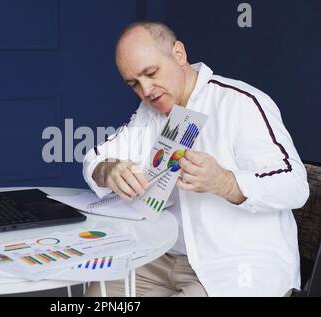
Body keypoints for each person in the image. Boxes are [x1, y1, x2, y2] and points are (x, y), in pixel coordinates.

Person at [82, 21, 309, 297]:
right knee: (99, 294)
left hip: (233, 263)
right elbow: (95, 157)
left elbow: (295, 185)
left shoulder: (240, 103)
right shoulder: (149, 113)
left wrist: (225, 182)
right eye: (134, 84)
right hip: (162, 255)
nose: (147, 90)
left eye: (151, 73)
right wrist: (109, 170)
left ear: (178, 54)